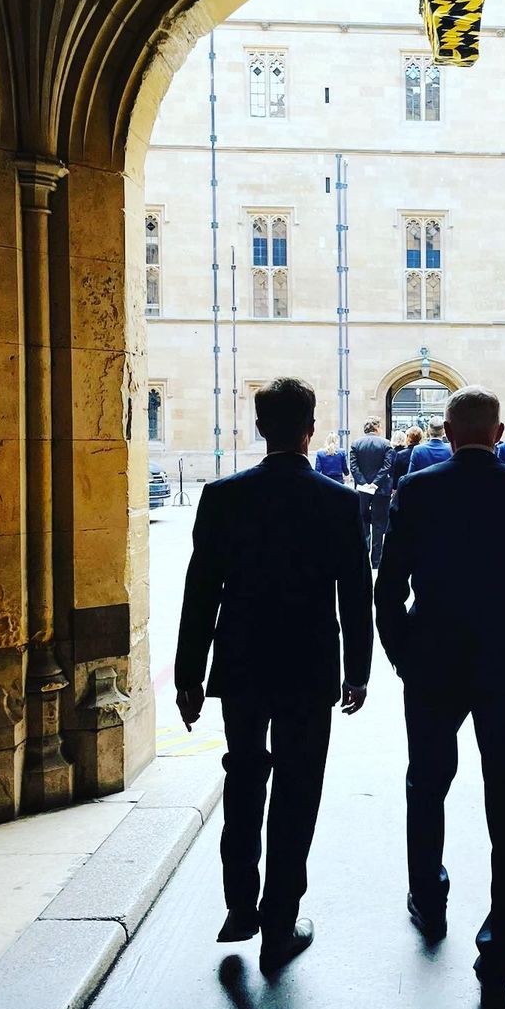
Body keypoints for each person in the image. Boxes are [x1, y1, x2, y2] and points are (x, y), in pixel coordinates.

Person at [375, 386, 505, 1009]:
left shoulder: (418, 490)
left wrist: (403, 654)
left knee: (426, 785)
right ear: (498, 432)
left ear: (449, 432)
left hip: (433, 664)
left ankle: (428, 900)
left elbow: (388, 588)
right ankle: (501, 945)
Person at [174, 377, 372, 975]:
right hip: (309, 666)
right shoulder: (337, 502)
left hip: (241, 663)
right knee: (296, 789)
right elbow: (355, 598)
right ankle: (279, 924)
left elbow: (200, 591)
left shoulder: (222, 496)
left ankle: (239, 908)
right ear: (311, 427)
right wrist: (357, 671)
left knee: (243, 776)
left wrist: (188, 676)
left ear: (260, 428)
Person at [350, 417, 395, 567]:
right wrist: (375, 483)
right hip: (381, 489)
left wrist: (363, 483)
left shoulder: (356, 443)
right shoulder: (386, 443)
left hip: (362, 490)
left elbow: (354, 467)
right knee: (378, 524)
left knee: (363, 522)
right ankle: (376, 560)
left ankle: (364, 555)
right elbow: (387, 465)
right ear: (377, 428)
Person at [393, 424, 423, 492]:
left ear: (408, 437)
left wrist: (395, 488)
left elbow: (397, 474)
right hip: (421, 487)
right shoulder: (424, 452)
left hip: (405, 488)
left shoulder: (400, 454)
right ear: (421, 438)